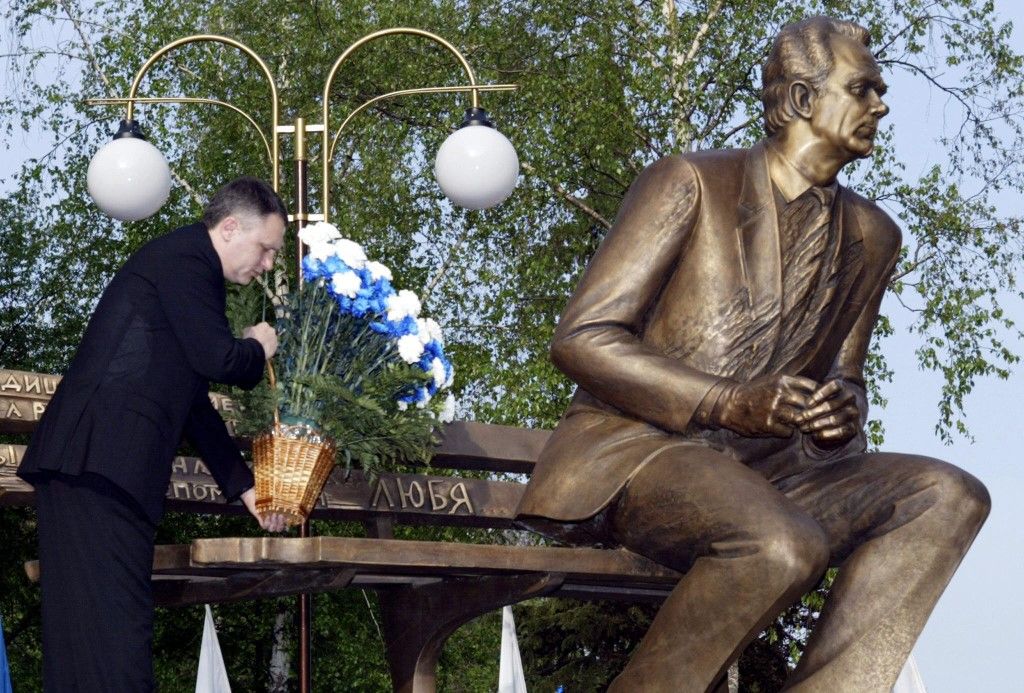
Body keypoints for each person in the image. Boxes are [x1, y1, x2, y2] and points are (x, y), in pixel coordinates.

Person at [516, 16, 990, 692]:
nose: (881, 106)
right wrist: (725, 401)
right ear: (801, 99)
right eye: (863, 89)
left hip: (778, 474)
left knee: (949, 495)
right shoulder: (689, 182)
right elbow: (582, 338)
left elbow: (846, 377)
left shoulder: (874, 235)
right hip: (642, 453)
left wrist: (842, 414)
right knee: (780, 544)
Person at [18, 176, 289, 691]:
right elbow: (219, 359)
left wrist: (245, 486)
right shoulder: (188, 262)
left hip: (92, 470)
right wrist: (257, 346)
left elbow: (190, 400)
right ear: (231, 228)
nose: (268, 264)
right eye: (266, 249)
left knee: (91, 639)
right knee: (114, 636)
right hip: (97, 467)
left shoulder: (184, 266)